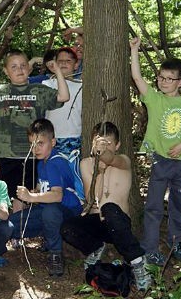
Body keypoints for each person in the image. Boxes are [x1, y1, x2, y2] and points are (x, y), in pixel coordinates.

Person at [129, 37, 181, 266]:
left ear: (180, 82)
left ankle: (176, 241)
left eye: (170, 79)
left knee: (180, 203)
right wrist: (134, 51)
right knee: (153, 205)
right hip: (160, 160)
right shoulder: (154, 99)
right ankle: (149, 248)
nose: (164, 82)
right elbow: (137, 77)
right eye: (161, 77)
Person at [0, 49, 70, 213]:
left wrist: (57, 70)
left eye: (23, 65)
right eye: (14, 66)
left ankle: (17, 234)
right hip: (4, 154)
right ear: (6, 71)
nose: (19, 69)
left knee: (21, 197)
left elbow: (63, 96)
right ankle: (4, 230)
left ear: (30, 69)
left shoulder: (39, 90)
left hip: (30, 154)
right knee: (3, 196)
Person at [60, 121, 152, 290]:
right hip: (97, 221)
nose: (103, 147)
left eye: (108, 143)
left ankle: (138, 263)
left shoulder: (123, 160)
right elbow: (91, 198)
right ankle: (95, 248)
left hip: (119, 222)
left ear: (117, 145)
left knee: (109, 208)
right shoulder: (86, 163)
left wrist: (105, 156)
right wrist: (99, 171)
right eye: (99, 142)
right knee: (67, 228)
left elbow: (111, 158)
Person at [8, 118, 82, 277]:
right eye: (32, 144)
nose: (35, 149)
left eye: (40, 143)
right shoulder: (42, 163)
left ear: (53, 142)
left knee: (50, 211)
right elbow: (45, 187)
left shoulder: (56, 162)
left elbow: (57, 195)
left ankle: (55, 253)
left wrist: (31, 197)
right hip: (47, 211)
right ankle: (47, 234)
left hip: (67, 212)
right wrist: (34, 191)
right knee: (10, 224)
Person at [44, 47, 83, 155]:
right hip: (50, 136)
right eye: (60, 61)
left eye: (68, 61)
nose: (63, 63)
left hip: (73, 136)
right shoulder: (47, 84)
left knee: (70, 168)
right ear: (54, 64)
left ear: (76, 65)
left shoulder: (81, 86)